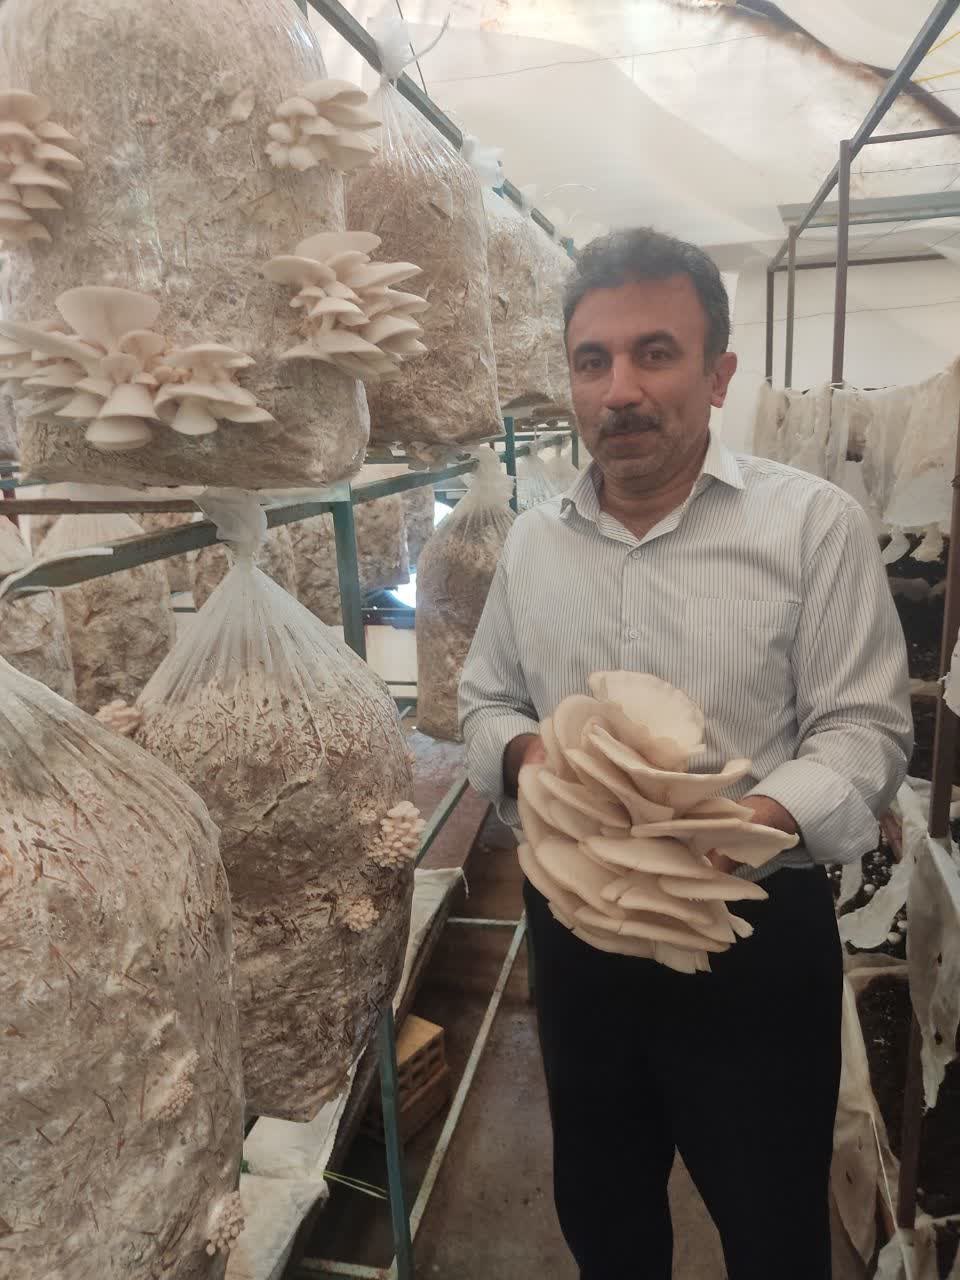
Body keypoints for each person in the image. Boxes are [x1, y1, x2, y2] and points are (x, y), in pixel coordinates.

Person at [458, 228, 912, 1280]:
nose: (619, 389)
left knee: (772, 1224)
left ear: (718, 374)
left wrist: (747, 824)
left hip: (749, 933)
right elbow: (485, 699)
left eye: (654, 353)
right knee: (604, 1212)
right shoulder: (532, 542)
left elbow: (865, 727)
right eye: (593, 360)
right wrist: (531, 758)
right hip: (579, 934)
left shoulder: (812, 527)